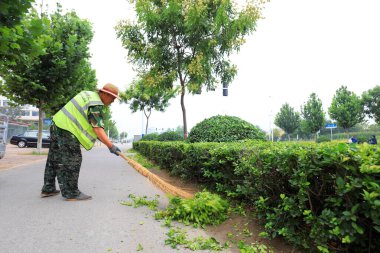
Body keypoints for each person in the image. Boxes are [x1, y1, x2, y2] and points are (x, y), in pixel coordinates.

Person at [40, 83, 121, 201]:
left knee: (54, 157)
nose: (113, 101)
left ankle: (48, 188)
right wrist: (111, 146)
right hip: (67, 129)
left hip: (57, 124)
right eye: (112, 97)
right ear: (104, 94)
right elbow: (97, 128)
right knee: (73, 159)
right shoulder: (96, 104)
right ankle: (71, 193)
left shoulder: (87, 95)